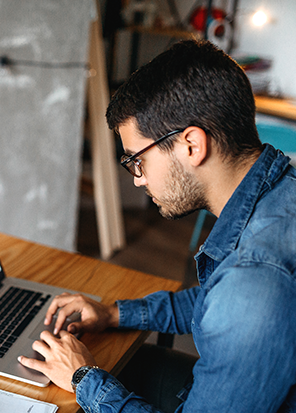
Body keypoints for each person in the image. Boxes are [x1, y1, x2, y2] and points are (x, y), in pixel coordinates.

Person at [18, 39, 296, 412]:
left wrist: (82, 377)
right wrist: (114, 314)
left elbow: (238, 302)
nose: (137, 178)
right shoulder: (281, 193)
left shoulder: (254, 282)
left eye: (137, 160)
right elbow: (215, 301)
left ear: (191, 145)